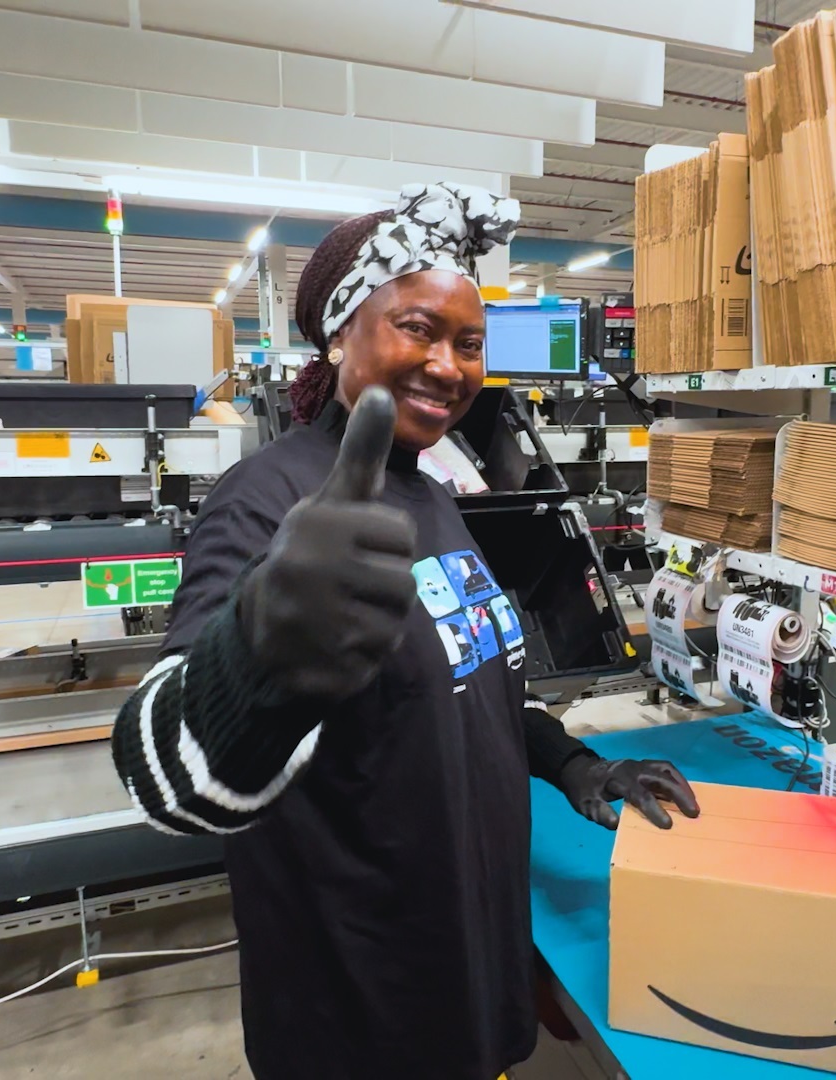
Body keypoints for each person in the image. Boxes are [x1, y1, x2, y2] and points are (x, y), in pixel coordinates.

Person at [111, 183, 700, 1080]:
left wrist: (577, 763)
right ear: (342, 333)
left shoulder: (430, 496)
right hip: (361, 1012)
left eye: (470, 344)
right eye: (418, 329)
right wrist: (259, 655)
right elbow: (169, 773)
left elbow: (468, 687)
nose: (450, 366)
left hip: (468, 970)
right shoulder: (270, 501)